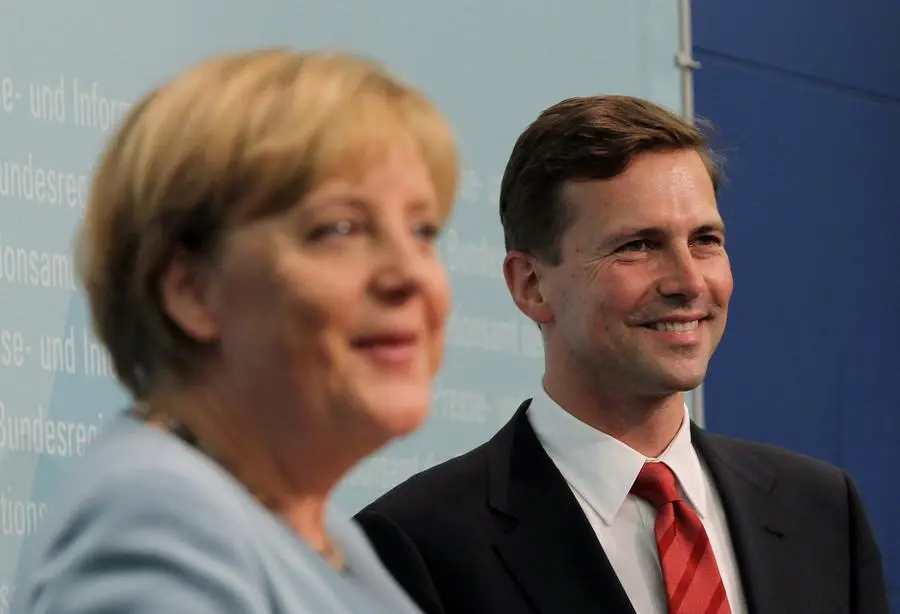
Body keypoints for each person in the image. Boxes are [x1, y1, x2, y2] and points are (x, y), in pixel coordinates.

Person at [355, 95, 889, 614]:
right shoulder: (414, 547)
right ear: (532, 285)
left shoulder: (820, 508)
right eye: (637, 245)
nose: (688, 281)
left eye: (705, 239)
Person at [11, 48, 458, 614]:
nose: (411, 274)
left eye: (422, 230)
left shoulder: (324, 536)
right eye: (340, 229)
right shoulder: (155, 523)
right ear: (192, 290)